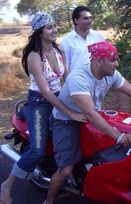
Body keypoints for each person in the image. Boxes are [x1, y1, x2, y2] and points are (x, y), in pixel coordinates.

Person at [44, 41, 131, 204]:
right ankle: (48, 200)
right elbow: (90, 113)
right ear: (99, 61)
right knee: (66, 169)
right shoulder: (78, 78)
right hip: (66, 120)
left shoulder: (111, 74)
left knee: (108, 149)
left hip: (90, 114)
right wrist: (120, 137)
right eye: (112, 60)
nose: (117, 63)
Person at [0, 11, 85, 204]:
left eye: (55, 25)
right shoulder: (34, 57)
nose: (54, 30)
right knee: (37, 150)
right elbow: (46, 92)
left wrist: (78, 98)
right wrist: (69, 111)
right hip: (39, 103)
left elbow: (67, 78)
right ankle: (7, 185)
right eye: (49, 27)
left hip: (59, 97)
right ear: (39, 31)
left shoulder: (59, 50)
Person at [60, 5, 105, 72]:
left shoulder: (98, 36)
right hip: (77, 81)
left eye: (90, 18)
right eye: (85, 18)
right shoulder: (66, 41)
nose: (89, 21)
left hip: (98, 79)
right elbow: (65, 66)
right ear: (76, 20)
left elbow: (105, 58)